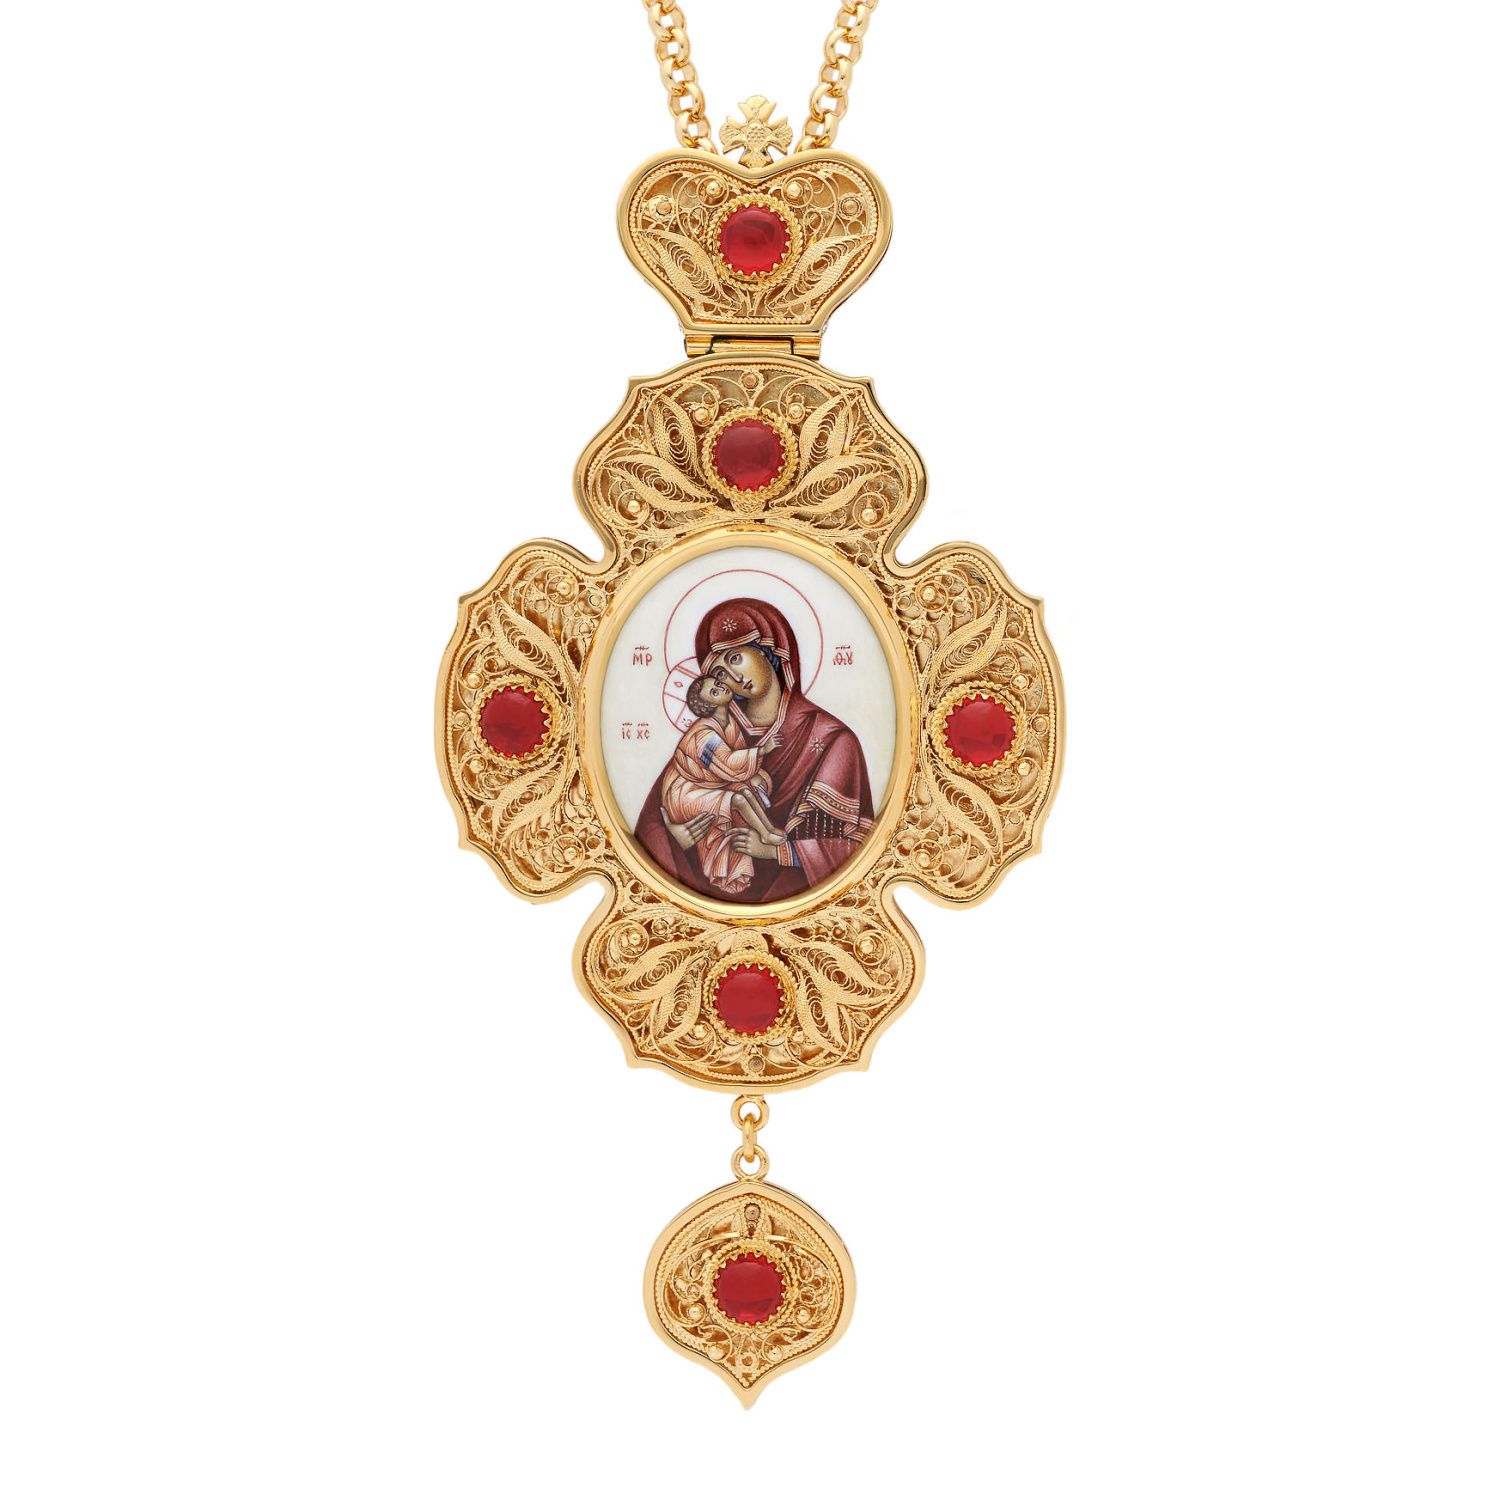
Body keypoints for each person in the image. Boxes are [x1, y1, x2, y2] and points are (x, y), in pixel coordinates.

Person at [634, 598, 874, 903]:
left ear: (769, 647)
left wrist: (777, 852)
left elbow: (854, 850)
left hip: (803, 905)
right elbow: (662, 814)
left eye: (735, 658)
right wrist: (675, 839)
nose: (734, 679)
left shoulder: (832, 740)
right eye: (719, 674)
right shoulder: (713, 735)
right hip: (708, 900)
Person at [659, 674, 784, 895]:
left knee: (745, 791)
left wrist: (754, 776)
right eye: (714, 692)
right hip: (685, 792)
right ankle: (765, 834)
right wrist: (761, 751)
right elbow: (728, 764)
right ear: (707, 705)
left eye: (718, 684)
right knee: (736, 799)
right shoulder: (705, 735)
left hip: (708, 784)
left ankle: (769, 829)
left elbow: (733, 769)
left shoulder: (729, 723)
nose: (722, 688)